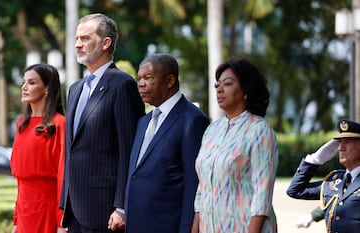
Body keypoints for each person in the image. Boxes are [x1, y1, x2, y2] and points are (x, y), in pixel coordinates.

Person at [60, 13, 145, 233]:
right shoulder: (75, 89)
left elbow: (129, 150)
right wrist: (64, 204)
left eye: (85, 38)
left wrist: (122, 207)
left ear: (106, 43)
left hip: (106, 210)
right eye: (77, 39)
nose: (78, 44)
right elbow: (72, 150)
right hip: (75, 209)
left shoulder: (122, 84)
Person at [124, 53, 210, 233]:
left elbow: (193, 186)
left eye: (148, 78)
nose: (140, 84)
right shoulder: (144, 122)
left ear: (170, 80)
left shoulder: (192, 120)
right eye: (139, 78)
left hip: (167, 226)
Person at [192, 57, 279, 233]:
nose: (219, 89)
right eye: (217, 85)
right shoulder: (212, 130)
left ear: (246, 90)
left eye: (228, 84)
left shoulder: (259, 130)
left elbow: (262, 195)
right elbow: (202, 190)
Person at [10, 63, 66, 233]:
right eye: (24, 82)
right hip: (24, 211)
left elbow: (63, 177)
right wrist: (16, 219)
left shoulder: (59, 124)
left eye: (32, 83)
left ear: (47, 89)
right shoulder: (21, 124)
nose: (24, 87)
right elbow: (21, 183)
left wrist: (60, 221)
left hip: (47, 209)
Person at [287, 119, 360, 232]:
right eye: (340, 142)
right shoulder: (335, 180)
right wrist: (314, 160)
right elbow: (295, 190)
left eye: (347, 142)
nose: (341, 148)